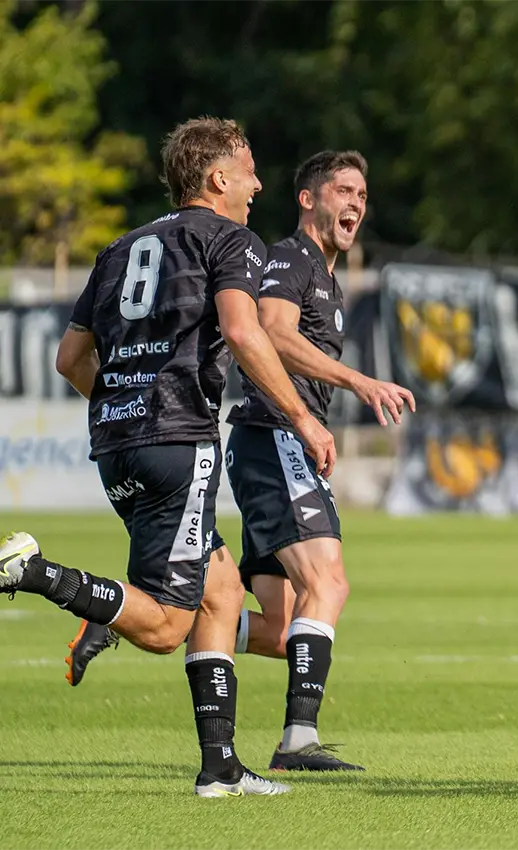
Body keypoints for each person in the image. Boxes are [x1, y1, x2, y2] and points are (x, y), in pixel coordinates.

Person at [2, 117, 336, 797]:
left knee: (218, 590)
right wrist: (302, 417)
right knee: (162, 626)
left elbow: (70, 358)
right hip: (179, 443)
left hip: (116, 442)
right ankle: (36, 572)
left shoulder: (121, 247)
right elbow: (243, 332)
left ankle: (220, 768)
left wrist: (126, 399)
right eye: (248, 171)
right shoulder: (230, 240)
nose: (258, 185)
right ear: (218, 179)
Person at [65, 151, 414, 773]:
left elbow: (73, 357)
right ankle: (298, 741)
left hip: (254, 441)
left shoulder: (324, 274)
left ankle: (121, 614)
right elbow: (270, 330)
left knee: (278, 630)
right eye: (342, 190)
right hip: (273, 433)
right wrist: (356, 385)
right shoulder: (288, 257)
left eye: (363, 193)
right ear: (308, 199)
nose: (355, 203)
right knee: (329, 583)